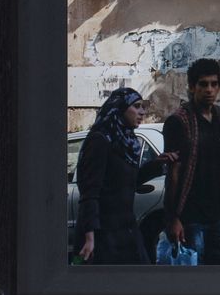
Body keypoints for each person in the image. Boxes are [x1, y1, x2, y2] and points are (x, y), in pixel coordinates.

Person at [74, 87, 177, 264]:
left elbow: (129, 182)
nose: (142, 112)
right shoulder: (100, 139)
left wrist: (157, 164)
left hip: (126, 229)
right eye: (136, 106)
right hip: (103, 233)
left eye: (143, 107)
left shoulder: (127, 142)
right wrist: (89, 237)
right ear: (120, 108)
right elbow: (90, 192)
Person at [163, 58, 220, 265]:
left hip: (217, 214)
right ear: (192, 87)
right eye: (203, 84)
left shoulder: (217, 116)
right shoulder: (178, 121)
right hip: (190, 218)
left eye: (214, 84)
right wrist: (173, 218)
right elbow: (173, 174)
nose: (209, 90)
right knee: (196, 279)